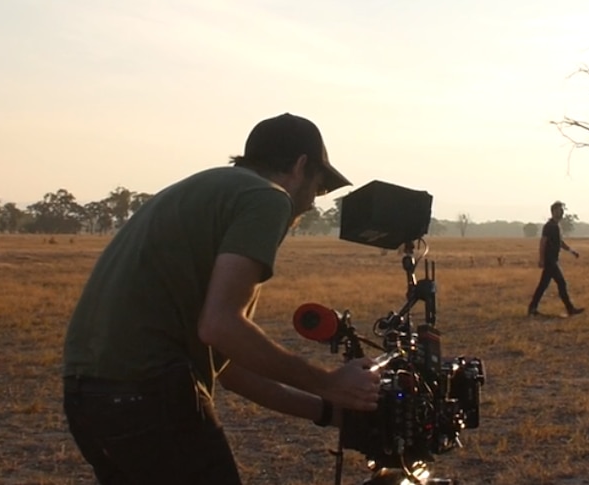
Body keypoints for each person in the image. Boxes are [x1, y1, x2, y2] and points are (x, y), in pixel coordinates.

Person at [62, 113, 381, 484]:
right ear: (300, 166)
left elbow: (229, 367)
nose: (312, 202)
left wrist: (331, 411)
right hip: (149, 396)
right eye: (320, 186)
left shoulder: (208, 190)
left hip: (89, 398)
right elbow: (220, 326)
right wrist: (328, 381)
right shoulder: (268, 199)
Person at [527, 201, 585, 318]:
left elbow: (560, 243)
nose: (561, 212)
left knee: (543, 285)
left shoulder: (556, 226)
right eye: (559, 210)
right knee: (561, 283)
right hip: (550, 261)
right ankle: (570, 309)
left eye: (562, 210)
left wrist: (571, 251)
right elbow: (543, 243)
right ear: (553, 211)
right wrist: (542, 259)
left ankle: (532, 308)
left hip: (553, 260)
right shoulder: (549, 226)